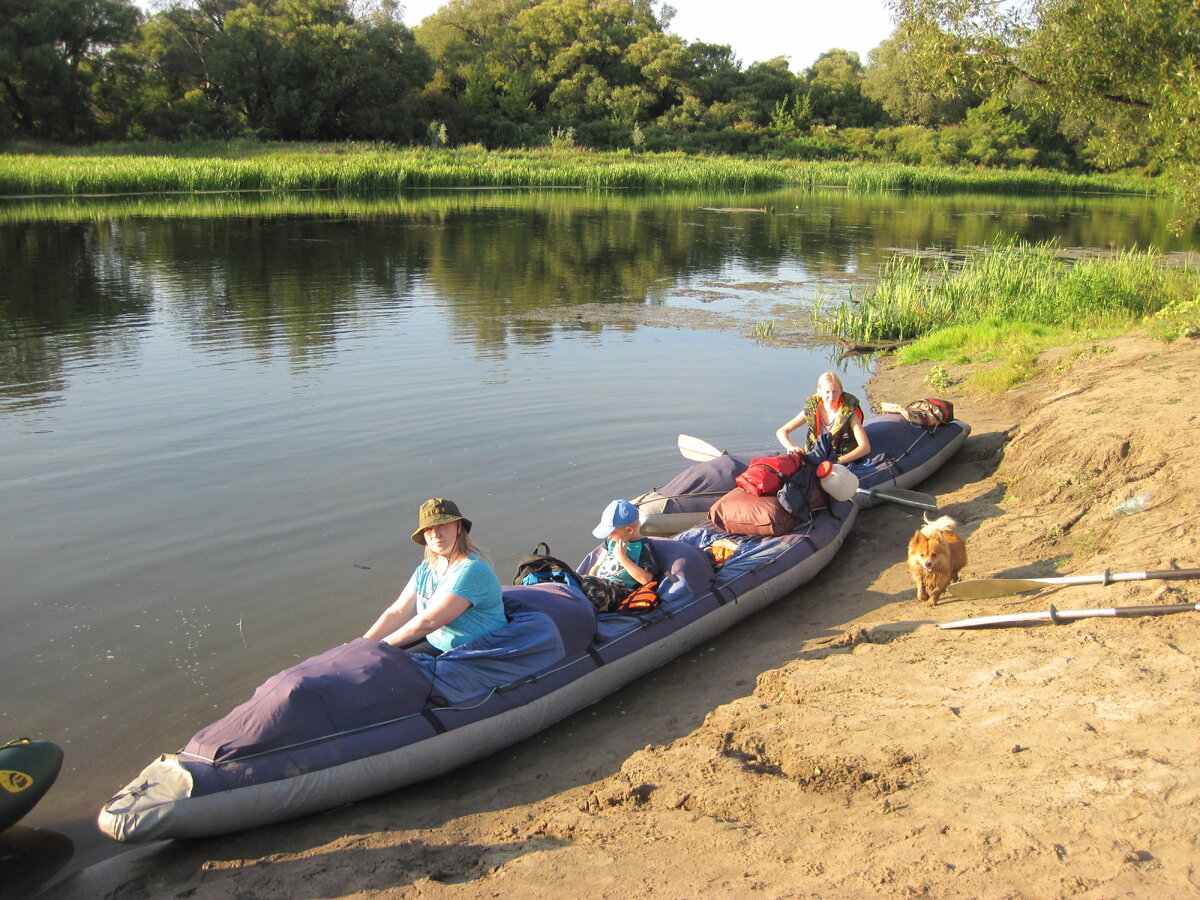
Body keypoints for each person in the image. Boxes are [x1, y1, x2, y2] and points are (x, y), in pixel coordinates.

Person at [364, 498, 505, 656]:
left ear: (458, 527)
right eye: (428, 529)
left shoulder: (472, 570)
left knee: (381, 663)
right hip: (435, 642)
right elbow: (397, 612)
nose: (435, 534)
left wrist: (377, 647)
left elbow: (428, 623)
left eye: (441, 525)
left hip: (471, 649)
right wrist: (362, 644)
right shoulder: (426, 569)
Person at [579, 499, 660, 613]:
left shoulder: (644, 547)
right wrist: (592, 576)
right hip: (599, 584)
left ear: (629, 530)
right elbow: (597, 564)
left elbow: (646, 579)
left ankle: (599, 613)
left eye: (611, 533)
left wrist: (622, 557)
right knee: (576, 579)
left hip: (620, 591)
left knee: (590, 586)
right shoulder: (610, 541)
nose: (609, 536)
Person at [775, 371, 871, 465]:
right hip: (816, 457)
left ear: (841, 392)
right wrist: (790, 446)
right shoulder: (812, 411)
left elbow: (865, 447)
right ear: (819, 392)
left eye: (835, 391)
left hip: (840, 459)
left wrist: (838, 461)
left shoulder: (850, 415)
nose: (831, 396)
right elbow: (782, 431)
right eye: (827, 392)